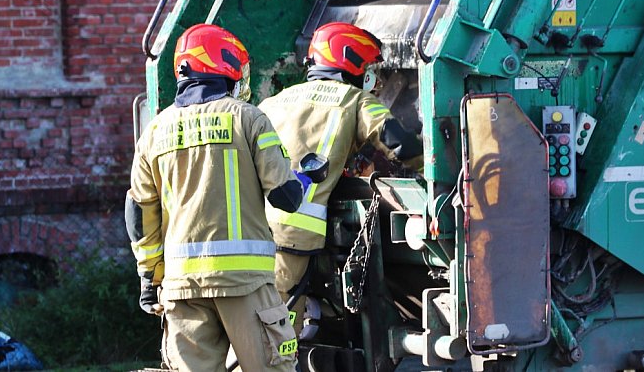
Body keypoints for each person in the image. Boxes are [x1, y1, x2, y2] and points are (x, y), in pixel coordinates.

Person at [125, 23, 308, 372]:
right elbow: (285, 197)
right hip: (246, 284)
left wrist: (150, 277)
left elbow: (139, 213)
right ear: (224, 66)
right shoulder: (248, 118)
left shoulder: (154, 132)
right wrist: (302, 178)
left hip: (182, 289)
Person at [258, 22, 423, 336]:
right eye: (369, 69)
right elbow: (398, 143)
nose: (373, 80)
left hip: (249, 228)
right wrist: (433, 170)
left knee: (253, 313)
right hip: (292, 234)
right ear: (352, 62)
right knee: (277, 330)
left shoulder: (273, 102)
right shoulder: (352, 99)